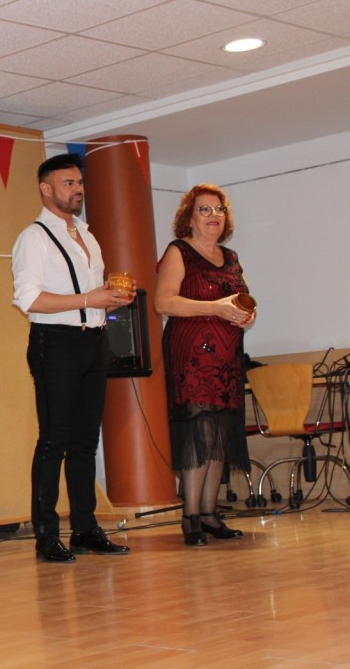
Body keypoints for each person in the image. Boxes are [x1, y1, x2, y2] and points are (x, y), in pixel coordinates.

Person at [11, 153, 133, 564]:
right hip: (56, 342)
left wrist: (111, 297)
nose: (77, 190)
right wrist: (88, 298)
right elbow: (28, 299)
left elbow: (92, 296)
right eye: (68, 183)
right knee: (54, 440)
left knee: (85, 442)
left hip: (93, 341)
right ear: (46, 189)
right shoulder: (33, 237)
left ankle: (85, 528)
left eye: (79, 183)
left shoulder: (87, 235)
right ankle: (46, 536)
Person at [154, 184, 253, 546]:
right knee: (200, 433)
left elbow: (242, 300)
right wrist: (215, 308)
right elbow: (163, 303)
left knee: (220, 434)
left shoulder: (231, 257)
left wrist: (246, 315)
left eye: (219, 210)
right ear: (190, 218)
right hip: (192, 356)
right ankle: (191, 515)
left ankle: (210, 513)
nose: (213, 216)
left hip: (227, 357)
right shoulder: (178, 251)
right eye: (204, 210)